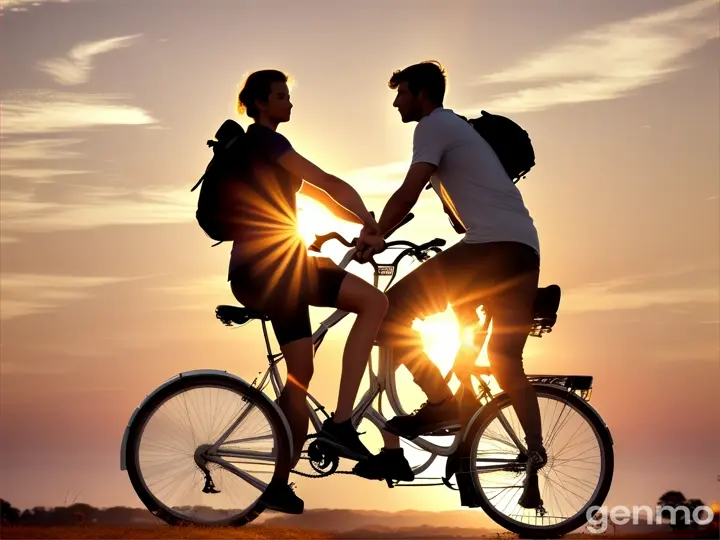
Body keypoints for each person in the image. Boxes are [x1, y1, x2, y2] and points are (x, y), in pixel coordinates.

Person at [353, 61, 547, 508]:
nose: (397, 102)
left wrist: (376, 234)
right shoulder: (459, 132)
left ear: (421, 93)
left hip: (492, 248)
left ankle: (441, 401)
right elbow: (458, 212)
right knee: (505, 361)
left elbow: (408, 190)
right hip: (523, 248)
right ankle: (534, 458)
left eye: (400, 93)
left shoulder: (434, 124)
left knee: (387, 310)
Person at [228, 69, 388, 514]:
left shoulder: (266, 151)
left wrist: (363, 222)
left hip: (277, 269)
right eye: (281, 96)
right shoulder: (265, 142)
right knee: (368, 308)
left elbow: (324, 200)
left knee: (303, 378)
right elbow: (327, 182)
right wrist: (371, 223)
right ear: (260, 103)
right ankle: (337, 426)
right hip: (272, 271)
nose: (289, 102)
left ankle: (286, 476)